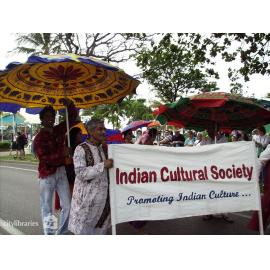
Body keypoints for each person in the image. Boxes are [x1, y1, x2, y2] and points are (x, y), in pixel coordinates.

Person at [34, 100, 78, 235]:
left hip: (61, 172)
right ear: (42, 119)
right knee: (47, 208)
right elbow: (44, 158)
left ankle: (63, 232)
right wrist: (62, 153)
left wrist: (69, 104)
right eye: (47, 116)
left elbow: (72, 119)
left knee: (68, 205)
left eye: (52, 116)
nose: (50, 119)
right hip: (46, 174)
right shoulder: (39, 138)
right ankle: (49, 234)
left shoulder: (59, 130)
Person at [68, 118, 113, 235]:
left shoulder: (102, 148)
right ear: (91, 131)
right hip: (87, 202)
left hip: (102, 202)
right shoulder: (80, 149)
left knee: (99, 231)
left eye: (104, 129)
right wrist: (103, 165)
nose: (104, 132)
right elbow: (81, 173)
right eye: (100, 129)